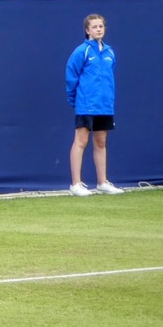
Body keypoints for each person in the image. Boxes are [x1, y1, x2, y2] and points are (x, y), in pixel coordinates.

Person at [65, 12, 123, 196]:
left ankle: (102, 183)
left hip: (105, 106)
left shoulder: (109, 52)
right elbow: (71, 76)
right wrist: (74, 99)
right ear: (87, 30)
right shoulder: (82, 51)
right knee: (81, 141)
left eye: (101, 26)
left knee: (101, 142)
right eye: (95, 27)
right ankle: (75, 184)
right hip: (86, 104)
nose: (99, 29)